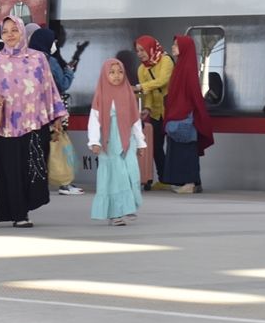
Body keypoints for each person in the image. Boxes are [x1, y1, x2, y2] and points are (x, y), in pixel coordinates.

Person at [0, 15, 68, 228]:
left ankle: (28, 206)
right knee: (11, 171)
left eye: (14, 30)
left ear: (22, 31)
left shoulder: (38, 58)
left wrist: (57, 116)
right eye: (5, 31)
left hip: (34, 124)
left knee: (34, 170)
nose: (10, 35)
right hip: (7, 127)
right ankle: (19, 214)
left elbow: (49, 87)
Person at [88, 59, 147, 225]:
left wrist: (141, 143)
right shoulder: (101, 94)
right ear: (105, 75)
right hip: (109, 143)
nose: (117, 76)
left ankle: (128, 206)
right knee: (115, 178)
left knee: (131, 173)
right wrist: (94, 141)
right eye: (112, 72)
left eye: (120, 72)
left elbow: (135, 120)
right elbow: (94, 119)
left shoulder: (128, 92)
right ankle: (116, 214)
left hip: (127, 141)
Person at [28, 26, 83, 196]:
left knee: (39, 147)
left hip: (34, 111)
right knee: (59, 144)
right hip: (54, 108)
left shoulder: (28, 58)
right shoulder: (49, 60)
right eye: (53, 42)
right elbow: (63, 84)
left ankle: (39, 181)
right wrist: (69, 70)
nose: (55, 45)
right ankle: (65, 183)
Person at [162, 35, 214, 194]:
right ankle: (190, 182)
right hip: (181, 115)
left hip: (183, 116)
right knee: (184, 150)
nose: (173, 47)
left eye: (176, 45)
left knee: (184, 150)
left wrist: (195, 113)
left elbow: (192, 93)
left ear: (184, 48)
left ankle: (189, 182)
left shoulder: (185, 69)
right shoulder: (182, 66)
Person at [134, 35, 173, 190]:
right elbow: (149, 93)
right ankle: (163, 178)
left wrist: (140, 87)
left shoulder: (166, 60)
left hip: (171, 109)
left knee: (173, 145)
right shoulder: (142, 69)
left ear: (151, 48)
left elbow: (163, 80)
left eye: (142, 50)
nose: (140, 54)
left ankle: (176, 177)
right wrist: (147, 108)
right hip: (157, 112)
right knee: (156, 146)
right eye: (137, 51)